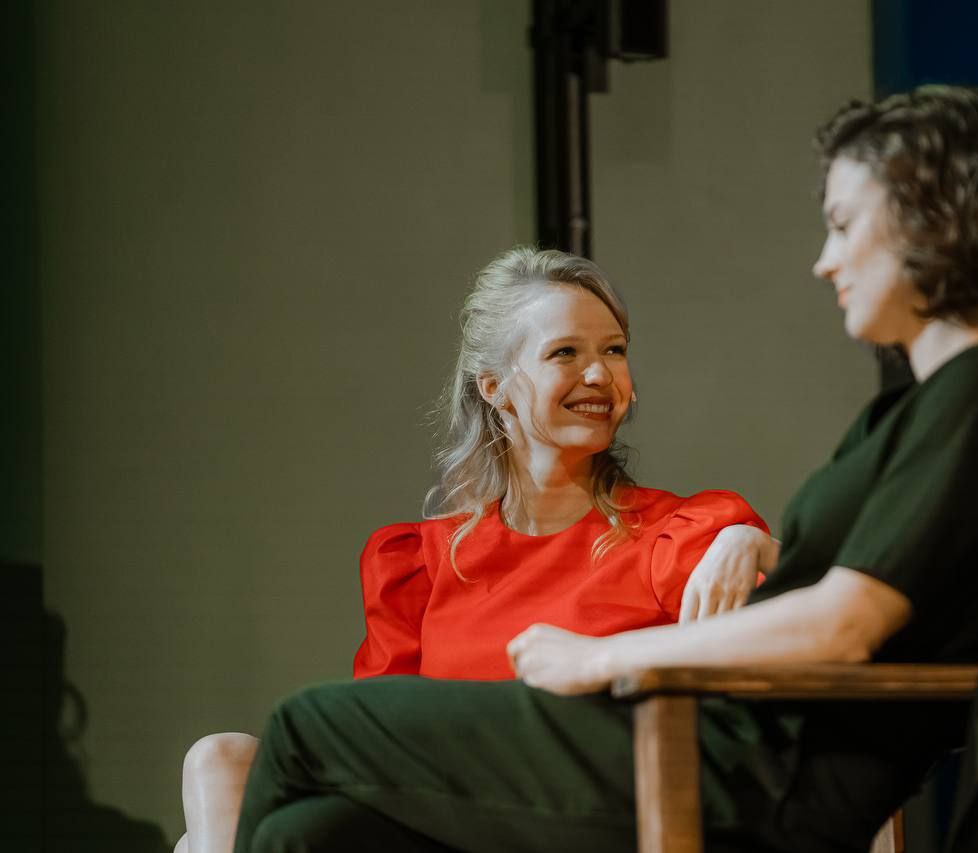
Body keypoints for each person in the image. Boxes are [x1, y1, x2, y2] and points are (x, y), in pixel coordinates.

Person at [229, 85, 978, 853]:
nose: (824, 261)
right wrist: (760, 549)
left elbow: (844, 620)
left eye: (842, 225)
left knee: (309, 723)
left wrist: (603, 655)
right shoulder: (914, 409)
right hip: (730, 745)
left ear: (934, 224)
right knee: (307, 832)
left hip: (751, 765)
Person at [174, 247, 775, 853]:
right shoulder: (418, 565)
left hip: (594, 822)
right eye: (566, 353)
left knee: (282, 776)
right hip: (439, 833)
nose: (599, 375)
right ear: (494, 387)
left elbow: (791, 627)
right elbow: (373, 755)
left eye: (614, 350)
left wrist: (752, 542)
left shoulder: (675, 535)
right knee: (230, 770)